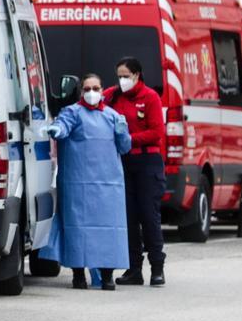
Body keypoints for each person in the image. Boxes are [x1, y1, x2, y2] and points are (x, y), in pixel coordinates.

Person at [42, 75, 132, 290]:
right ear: (81, 91)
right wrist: (57, 130)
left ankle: (107, 275)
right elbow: (63, 126)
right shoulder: (72, 112)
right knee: (77, 229)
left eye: (96, 88)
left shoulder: (112, 117)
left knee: (109, 229)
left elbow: (125, 147)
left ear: (102, 90)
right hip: (77, 184)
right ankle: (78, 274)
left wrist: (123, 132)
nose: (92, 92)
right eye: (87, 88)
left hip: (108, 185)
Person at [104, 57, 167, 287]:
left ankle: (157, 268)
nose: (122, 80)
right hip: (124, 163)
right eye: (119, 76)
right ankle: (134, 269)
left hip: (147, 162)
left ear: (137, 76)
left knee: (149, 216)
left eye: (126, 76)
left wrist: (129, 139)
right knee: (128, 217)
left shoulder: (150, 97)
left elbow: (156, 132)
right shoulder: (112, 96)